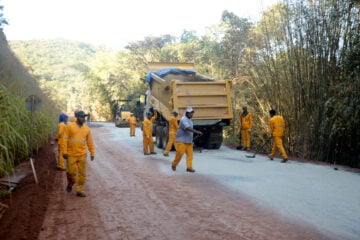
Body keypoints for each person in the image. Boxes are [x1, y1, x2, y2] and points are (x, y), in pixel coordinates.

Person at [62, 111, 95, 197]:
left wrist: (92, 152)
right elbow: (64, 140)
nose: (83, 119)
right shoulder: (69, 127)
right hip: (71, 154)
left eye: (84, 117)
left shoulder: (87, 129)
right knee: (70, 172)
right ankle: (71, 182)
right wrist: (64, 152)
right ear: (77, 117)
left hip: (82, 155)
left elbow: (90, 142)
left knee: (82, 174)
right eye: (81, 117)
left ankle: (79, 190)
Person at [171, 107, 203, 173]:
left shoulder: (190, 120)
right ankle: (174, 164)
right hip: (181, 140)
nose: (191, 114)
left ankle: (189, 167)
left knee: (190, 155)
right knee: (180, 154)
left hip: (189, 141)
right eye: (190, 113)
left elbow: (190, 130)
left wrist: (196, 134)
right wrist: (197, 132)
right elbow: (188, 128)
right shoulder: (183, 119)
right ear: (187, 113)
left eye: (192, 113)